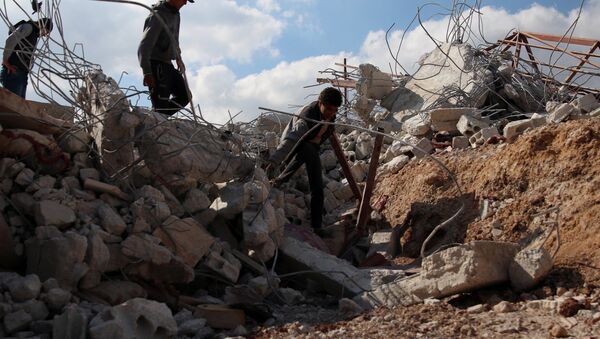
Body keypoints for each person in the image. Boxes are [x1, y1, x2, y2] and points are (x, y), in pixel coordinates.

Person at [266, 87, 343, 236]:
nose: (331, 113)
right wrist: (273, 161)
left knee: (317, 185)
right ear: (320, 103)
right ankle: (278, 180)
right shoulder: (307, 118)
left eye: (334, 110)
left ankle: (317, 225)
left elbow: (324, 134)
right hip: (296, 144)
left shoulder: (331, 116)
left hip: (310, 146)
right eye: (328, 109)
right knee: (307, 161)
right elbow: (290, 141)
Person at [138, 0, 193, 115]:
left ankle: (159, 118)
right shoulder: (157, 16)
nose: (185, 3)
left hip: (168, 64)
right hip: (156, 66)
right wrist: (147, 72)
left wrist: (178, 58)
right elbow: (144, 47)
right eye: (184, 0)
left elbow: (174, 39)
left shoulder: (176, 15)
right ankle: (157, 120)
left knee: (185, 96)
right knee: (161, 105)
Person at [1, 18, 53, 98]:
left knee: (19, 107)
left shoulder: (34, 35)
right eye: (47, 31)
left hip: (22, 73)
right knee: (12, 106)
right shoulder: (28, 27)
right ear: (43, 26)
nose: (45, 35)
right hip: (14, 71)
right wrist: (5, 61)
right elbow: (11, 40)